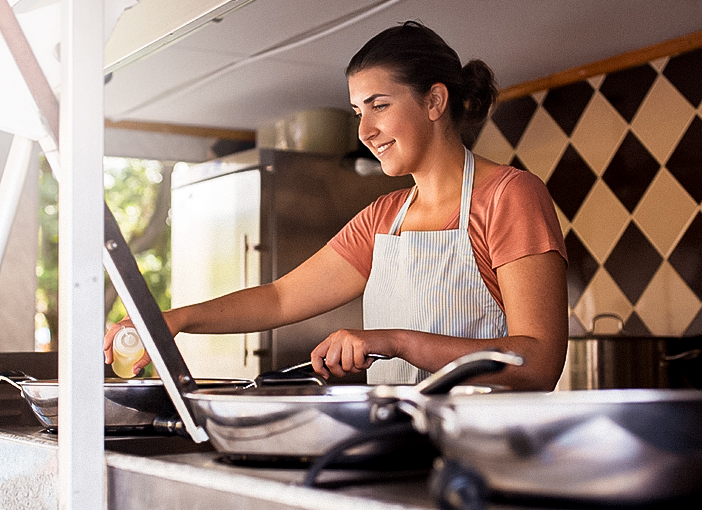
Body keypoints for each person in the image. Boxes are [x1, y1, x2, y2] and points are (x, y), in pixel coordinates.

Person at [104, 21, 569, 391]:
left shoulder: (510, 196)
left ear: (434, 100)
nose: (365, 131)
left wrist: (394, 341)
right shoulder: (383, 218)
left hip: (488, 455)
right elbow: (281, 297)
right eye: (357, 112)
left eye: (379, 105)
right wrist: (174, 319)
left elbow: (539, 362)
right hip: (398, 451)